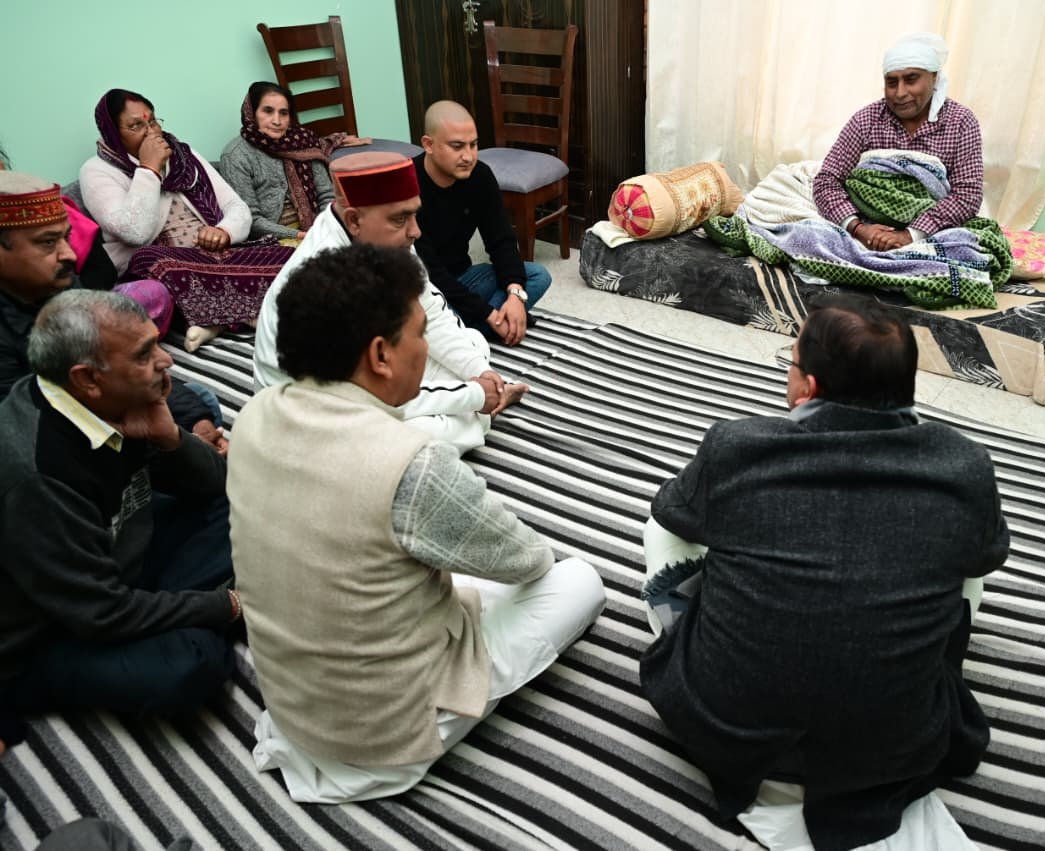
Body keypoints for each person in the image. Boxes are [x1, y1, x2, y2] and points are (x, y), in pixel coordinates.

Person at [230, 241, 604, 803]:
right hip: (382, 738)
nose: (428, 349)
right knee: (576, 581)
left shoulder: (253, 416)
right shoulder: (412, 464)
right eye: (421, 334)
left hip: (293, 706)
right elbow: (527, 560)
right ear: (381, 355)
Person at [638, 296, 1009, 851]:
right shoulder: (964, 466)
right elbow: (988, 556)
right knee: (967, 556)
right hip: (888, 749)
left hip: (725, 724)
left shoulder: (739, 446)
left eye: (789, 363)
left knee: (664, 529)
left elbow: (672, 511)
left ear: (807, 388)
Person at [0, 290, 241, 722]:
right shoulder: (38, 472)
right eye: (145, 354)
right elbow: (100, 612)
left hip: (118, 555)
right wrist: (227, 606)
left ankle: (179, 608)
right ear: (88, 379)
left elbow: (215, 485)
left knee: (244, 501)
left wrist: (170, 439)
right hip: (55, 626)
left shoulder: (105, 401)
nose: (166, 360)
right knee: (188, 666)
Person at [254, 151, 526, 452]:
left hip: (370, 375)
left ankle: (477, 409)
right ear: (354, 220)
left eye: (415, 214)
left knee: (473, 343)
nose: (415, 231)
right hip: (317, 416)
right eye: (400, 218)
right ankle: (478, 420)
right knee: (422, 436)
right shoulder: (323, 285)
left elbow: (432, 313)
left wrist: (482, 374)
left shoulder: (390, 240)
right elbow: (366, 396)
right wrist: (474, 395)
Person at [0, 171, 223, 445]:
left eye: (66, 238)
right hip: (68, 443)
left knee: (200, 403)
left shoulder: (61, 287)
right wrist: (168, 442)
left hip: (108, 408)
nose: (69, 254)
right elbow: (26, 434)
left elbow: (128, 360)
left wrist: (194, 423)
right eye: (48, 242)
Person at [80, 89, 294, 352]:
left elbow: (236, 207)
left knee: (290, 256)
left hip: (216, 258)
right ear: (112, 132)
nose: (150, 133)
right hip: (168, 266)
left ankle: (217, 320)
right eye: (136, 126)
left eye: (153, 122)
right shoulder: (97, 171)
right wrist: (149, 169)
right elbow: (134, 232)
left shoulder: (183, 155)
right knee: (151, 260)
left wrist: (224, 231)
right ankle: (243, 311)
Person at [812, 32, 983, 252]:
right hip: (865, 228)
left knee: (972, 250)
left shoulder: (961, 122)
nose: (900, 93)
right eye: (891, 83)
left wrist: (910, 235)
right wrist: (858, 228)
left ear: (934, 77)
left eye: (911, 79)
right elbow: (827, 181)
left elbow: (967, 195)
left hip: (930, 232)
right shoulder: (867, 119)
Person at [413, 100, 551, 346]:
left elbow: (501, 240)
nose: (468, 156)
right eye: (457, 146)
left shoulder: (480, 175)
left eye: (473, 145)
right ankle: (477, 328)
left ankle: (462, 333)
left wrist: (515, 296)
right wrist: (489, 314)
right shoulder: (408, 185)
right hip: (424, 291)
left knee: (537, 276)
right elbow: (428, 271)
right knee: (420, 320)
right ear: (429, 145)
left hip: (464, 277)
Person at [219, 81, 365, 242]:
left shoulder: (302, 143)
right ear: (251, 113)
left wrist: (324, 230)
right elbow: (249, 219)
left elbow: (327, 196)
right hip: (272, 240)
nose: (277, 121)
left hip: (320, 229)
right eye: (268, 111)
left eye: (283, 113)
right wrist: (302, 236)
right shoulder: (235, 155)